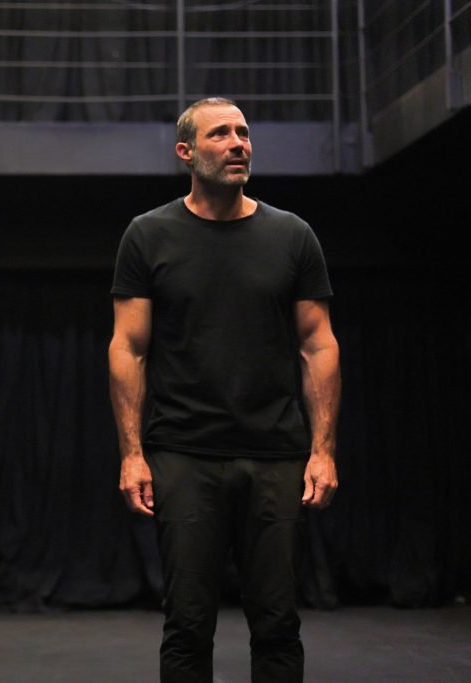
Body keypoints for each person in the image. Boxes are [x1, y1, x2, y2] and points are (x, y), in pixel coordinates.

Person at [108, 97, 340, 682]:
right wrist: (132, 454)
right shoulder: (148, 235)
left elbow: (318, 345)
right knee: (187, 626)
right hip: (184, 453)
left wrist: (322, 451)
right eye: (221, 134)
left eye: (243, 133)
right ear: (186, 152)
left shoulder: (292, 235)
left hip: (275, 455)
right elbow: (128, 348)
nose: (238, 144)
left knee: (278, 625)